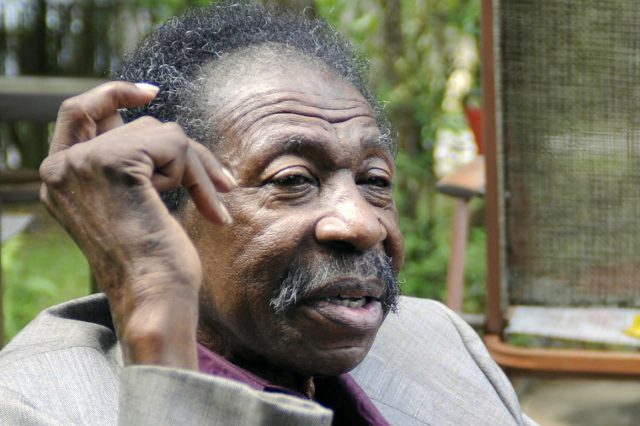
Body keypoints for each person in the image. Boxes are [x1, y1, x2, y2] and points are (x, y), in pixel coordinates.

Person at [0, 3, 535, 425]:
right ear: (161, 207)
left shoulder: (438, 340)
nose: (363, 224)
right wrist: (155, 316)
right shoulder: (31, 406)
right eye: (293, 180)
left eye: (375, 181)